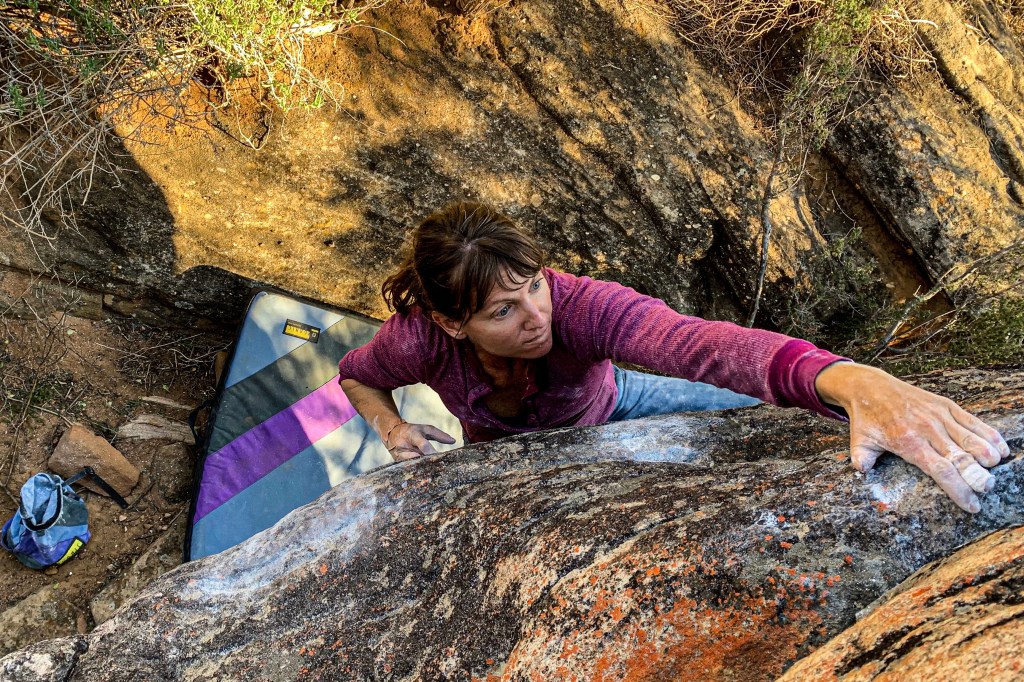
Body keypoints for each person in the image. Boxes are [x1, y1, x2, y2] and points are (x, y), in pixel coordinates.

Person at [339, 202, 1009, 514]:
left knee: (757, 400)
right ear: (451, 322)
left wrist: (852, 380)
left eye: (534, 285)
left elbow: (702, 348)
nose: (537, 315)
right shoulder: (415, 341)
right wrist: (392, 429)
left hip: (617, 400)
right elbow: (357, 378)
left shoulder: (583, 309)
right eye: (503, 311)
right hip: (499, 449)